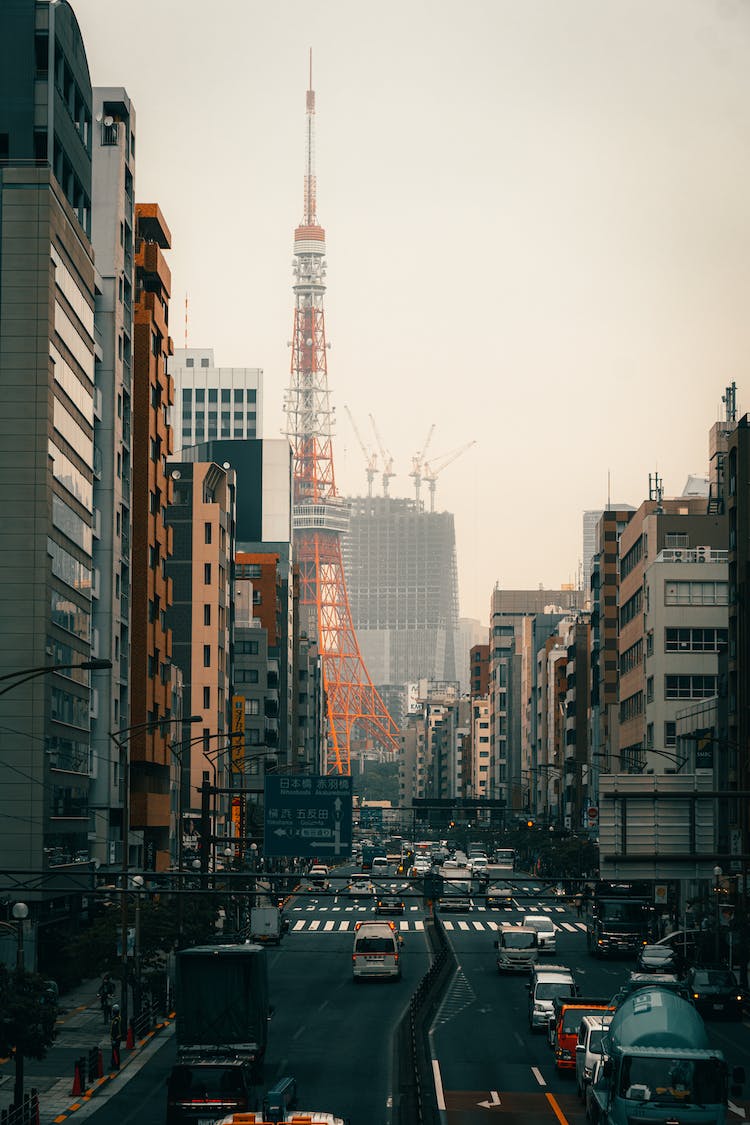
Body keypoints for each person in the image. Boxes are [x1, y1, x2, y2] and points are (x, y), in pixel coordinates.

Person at [110, 1003, 122, 1070]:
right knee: (114, 1051)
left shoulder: (116, 1020)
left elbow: (115, 1030)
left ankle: (116, 1065)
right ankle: (114, 1064)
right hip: (117, 1038)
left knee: (115, 1051)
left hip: (116, 1038)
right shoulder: (118, 1018)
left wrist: (113, 1039)